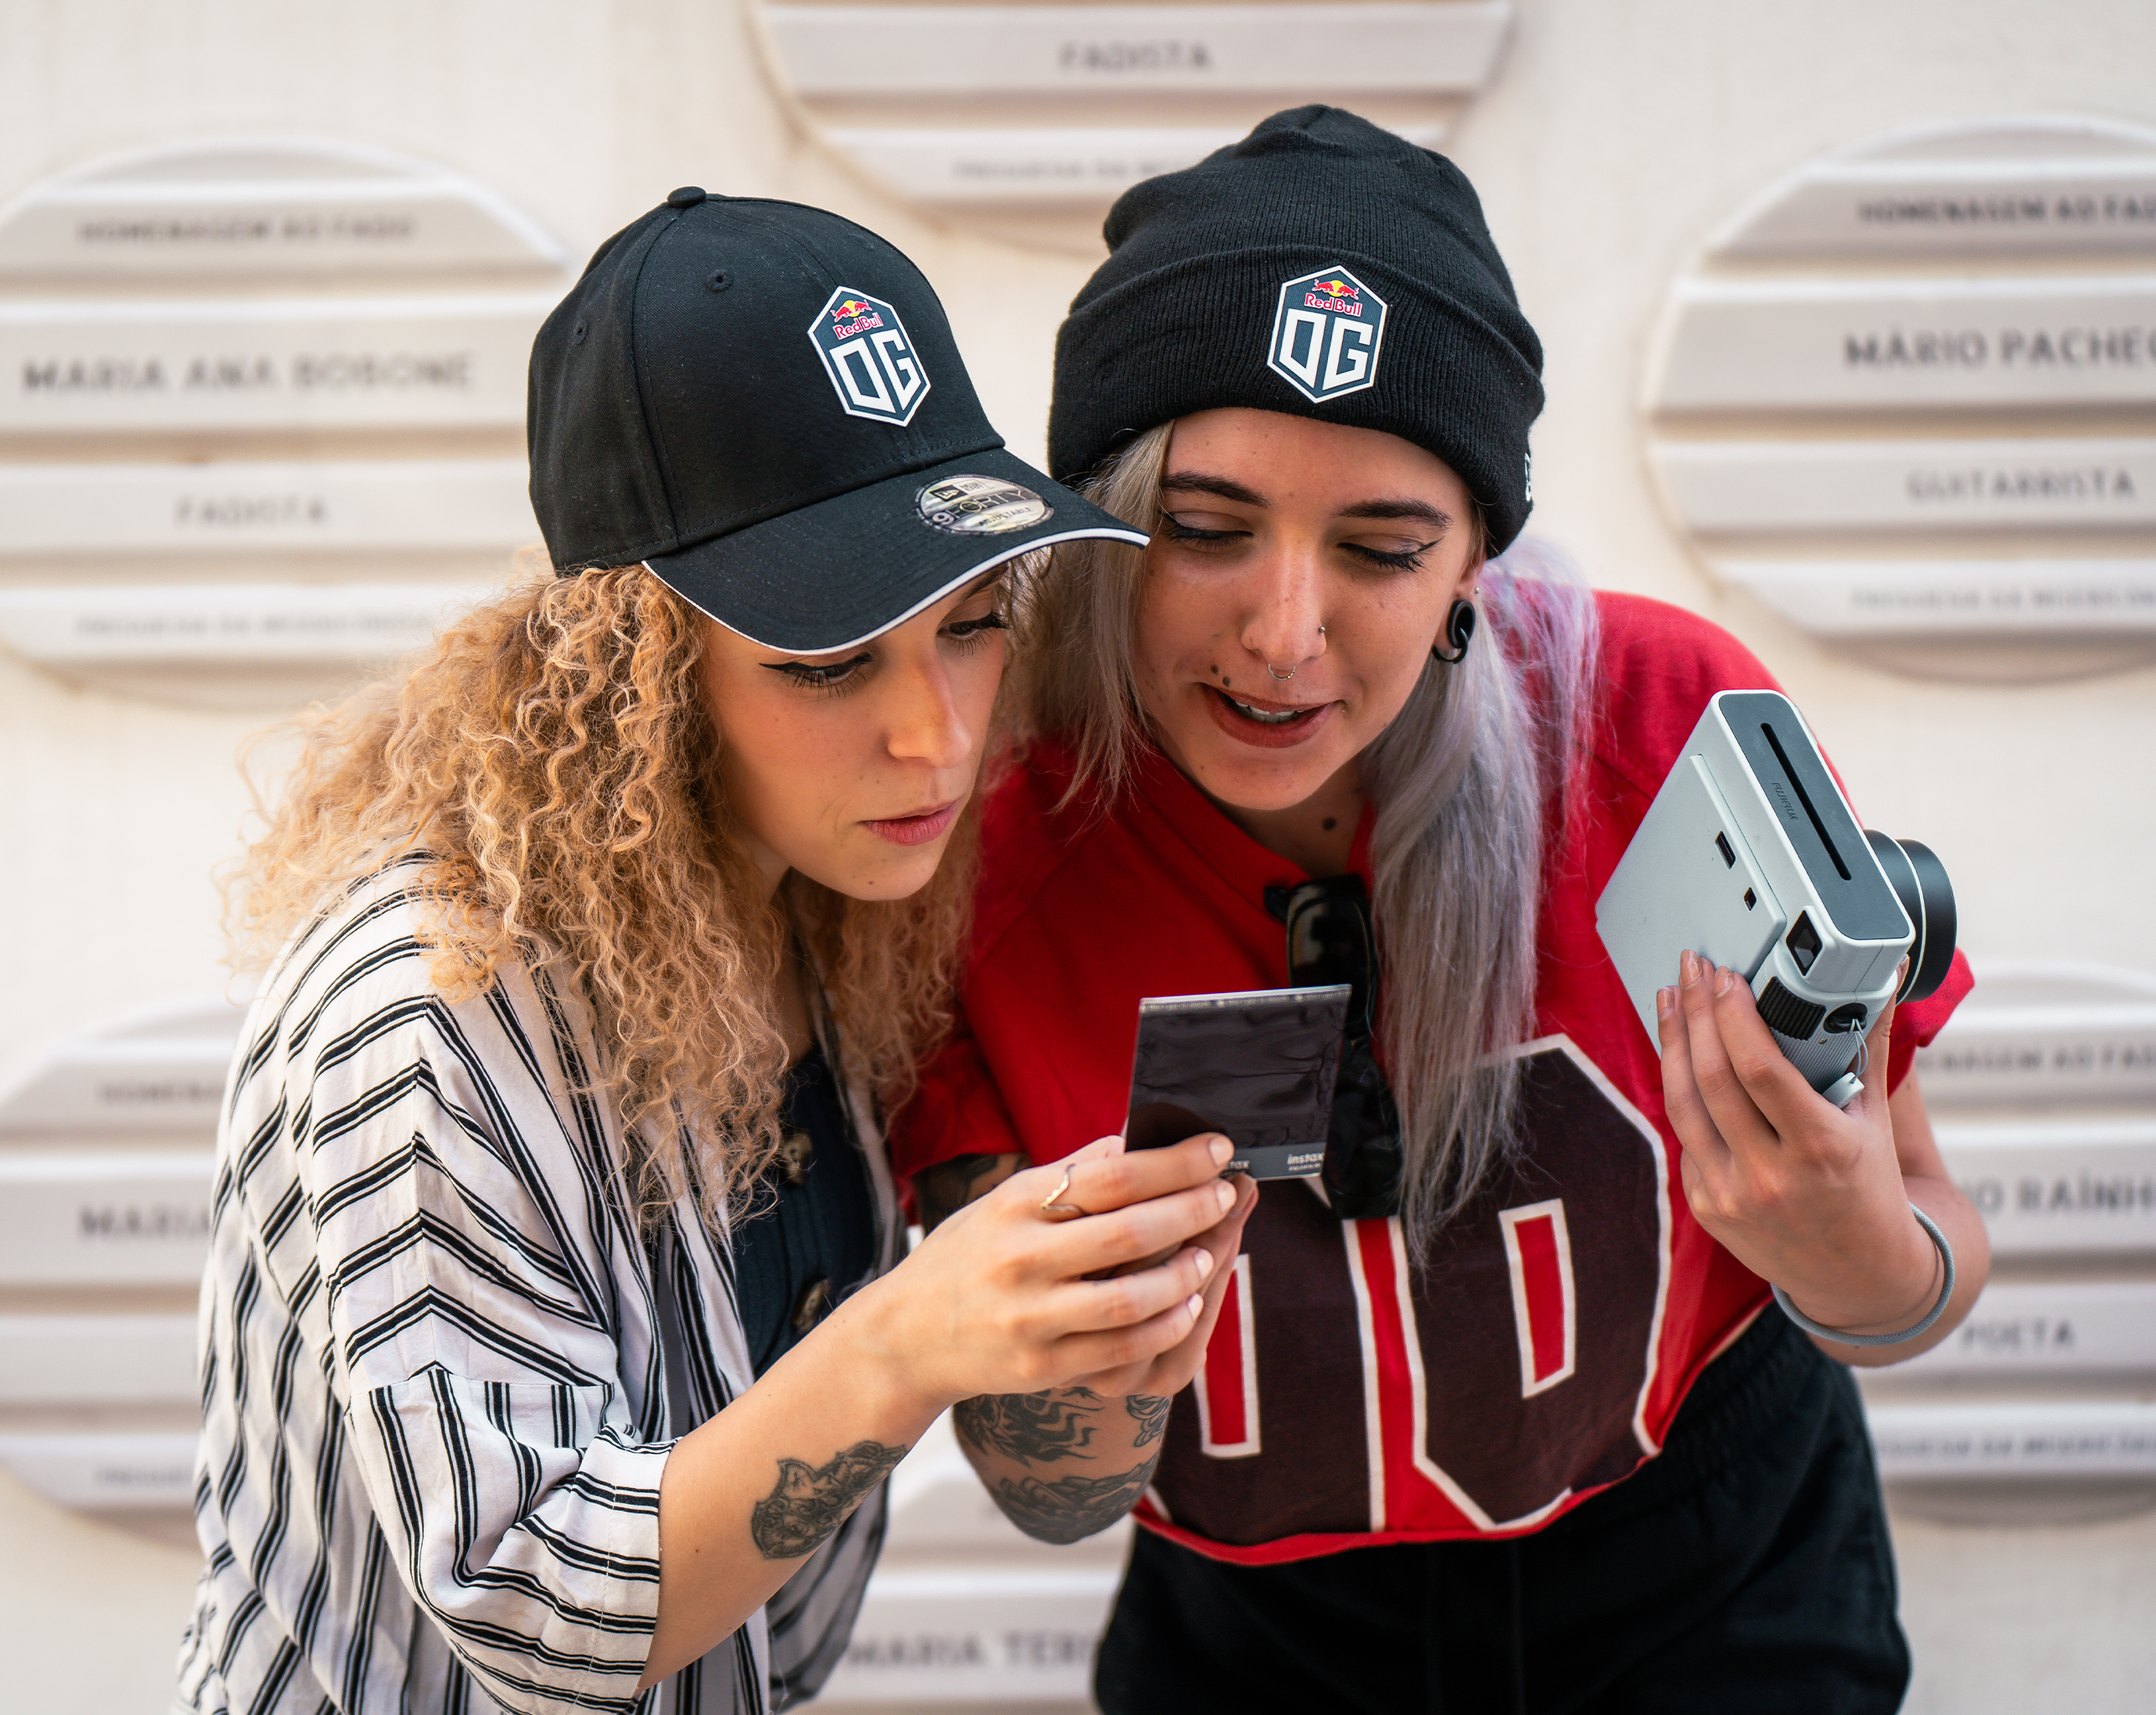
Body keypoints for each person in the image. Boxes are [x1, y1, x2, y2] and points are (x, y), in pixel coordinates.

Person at [891, 109, 1987, 1712]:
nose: (1283, 635)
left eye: (1383, 549)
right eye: (1203, 531)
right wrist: (1089, 1376)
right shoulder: (979, 841)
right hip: (1258, 1641)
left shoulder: (1665, 727)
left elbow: (1924, 1270)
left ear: (1477, 556)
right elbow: (1049, 1494)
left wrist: (1850, 1257)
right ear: (1106, 519)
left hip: (1717, 1588)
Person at [175, 187, 1254, 1715]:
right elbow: (540, 1611)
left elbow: (1059, 1499)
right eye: (826, 658)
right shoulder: (434, 1006)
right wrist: (913, 1336)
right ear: (623, 671)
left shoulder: (828, 909)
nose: (934, 733)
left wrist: (1098, 1354)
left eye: (971, 619)